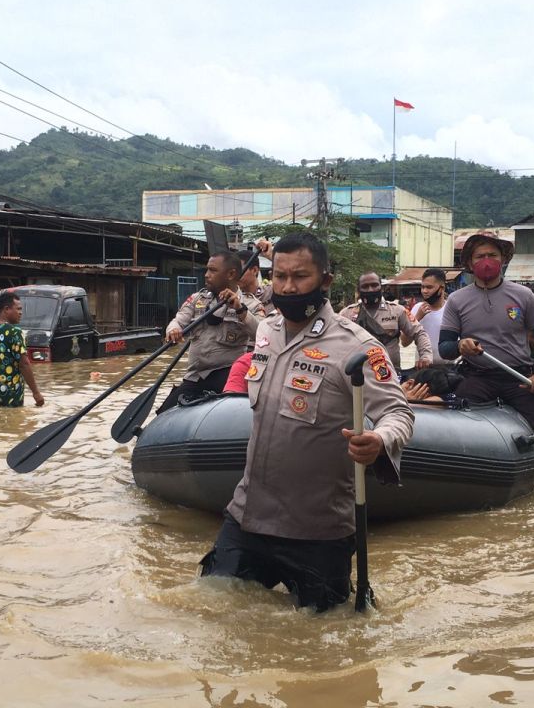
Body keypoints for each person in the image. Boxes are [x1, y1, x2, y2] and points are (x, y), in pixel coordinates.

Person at [199, 232, 415, 612]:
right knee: (213, 617)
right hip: (248, 515)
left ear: (326, 280)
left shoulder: (359, 347)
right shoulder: (266, 330)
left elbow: (399, 412)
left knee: (327, 640)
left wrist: (379, 440)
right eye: (279, 276)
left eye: (299, 277)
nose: (287, 286)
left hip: (318, 531)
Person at [437, 232, 534, 479]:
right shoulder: (456, 300)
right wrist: (460, 346)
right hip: (477, 378)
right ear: (469, 263)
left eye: (492, 255)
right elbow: (444, 347)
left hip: (519, 379)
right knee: (454, 432)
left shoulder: (523, 295)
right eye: (480, 256)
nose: (486, 261)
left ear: (503, 260)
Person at [159, 251, 265, 413]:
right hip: (196, 376)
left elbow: (263, 336)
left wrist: (239, 310)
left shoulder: (250, 304)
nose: (207, 275)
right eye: (207, 270)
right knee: (164, 414)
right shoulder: (197, 299)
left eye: (213, 271)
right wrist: (173, 329)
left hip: (226, 375)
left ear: (230, 274)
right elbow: (178, 320)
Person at [339, 271, 433, 371]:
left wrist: (425, 357)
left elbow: (419, 332)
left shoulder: (397, 311)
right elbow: (335, 342)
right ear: (358, 289)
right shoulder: (346, 314)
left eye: (374, 285)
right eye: (365, 286)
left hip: (390, 375)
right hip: (358, 375)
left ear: (381, 287)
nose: (370, 290)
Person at [0, 291, 44, 407]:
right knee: (14, 422)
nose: (21, 313)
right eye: (18, 309)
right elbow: (24, 364)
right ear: (6, 309)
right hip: (10, 393)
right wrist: (36, 392)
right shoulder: (15, 332)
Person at [411, 268, 452, 364]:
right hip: (423, 368)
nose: (424, 291)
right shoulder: (417, 308)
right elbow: (404, 342)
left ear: (442, 288)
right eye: (422, 287)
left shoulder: (451, 309)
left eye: (429, 287)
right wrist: (417, 318)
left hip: (449, 369)